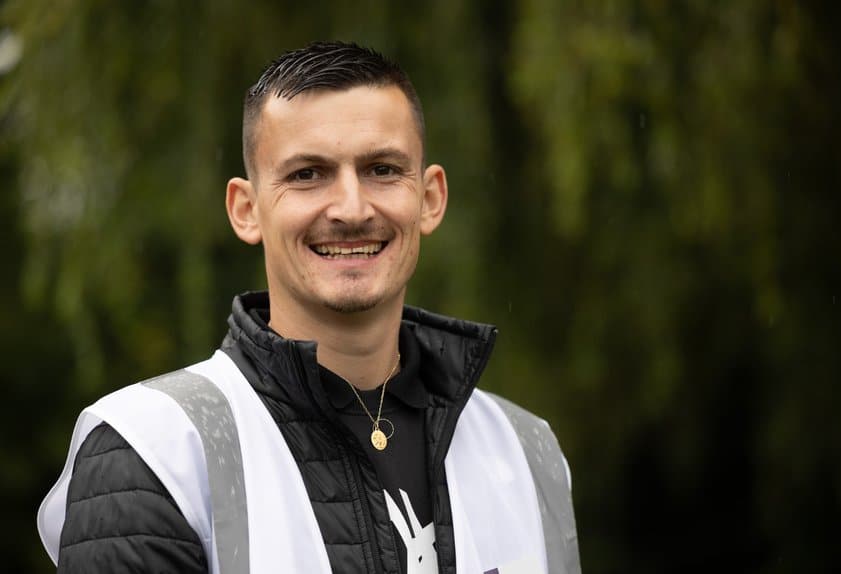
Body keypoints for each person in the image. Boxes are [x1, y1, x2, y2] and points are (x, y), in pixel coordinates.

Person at [37, 41, 581, 574]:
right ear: (246, 210)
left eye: (382, 169)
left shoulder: (529, 452)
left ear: (430, 198)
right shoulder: (150, 453)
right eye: (307, 174)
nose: (351, 209)